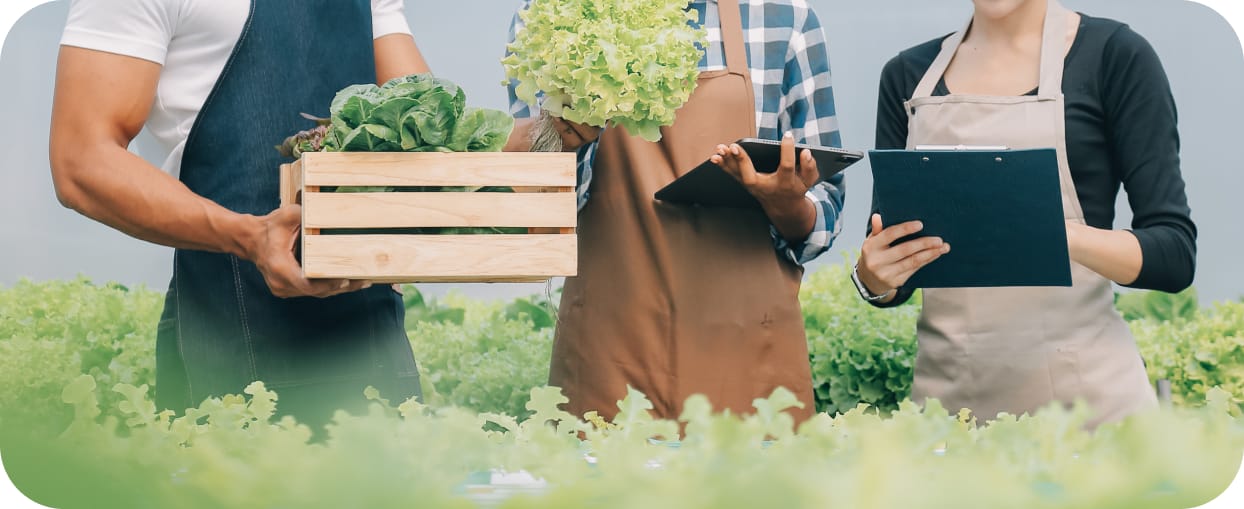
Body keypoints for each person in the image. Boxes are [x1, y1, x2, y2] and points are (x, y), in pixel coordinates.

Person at [49, 0, 431, 432]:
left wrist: (522, 133)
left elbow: (423, 127)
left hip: (370, 334)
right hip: (231, 328)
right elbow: (81, 160)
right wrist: (249, 237)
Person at [854, 0, 1196, 427]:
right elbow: (893, 266)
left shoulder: (1115, 56)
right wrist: (874, 277)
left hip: (1091, 417)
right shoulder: (906, 76)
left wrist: (1041, 225)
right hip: (948, 420)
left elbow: (1175, 255)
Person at [505, 0, 846, 423]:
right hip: (609, 355)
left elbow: (825, 209)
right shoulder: (551, 19)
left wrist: (788, 204)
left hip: (750, 353)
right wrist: (567, 134)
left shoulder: (785, 20)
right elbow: (535, 210)